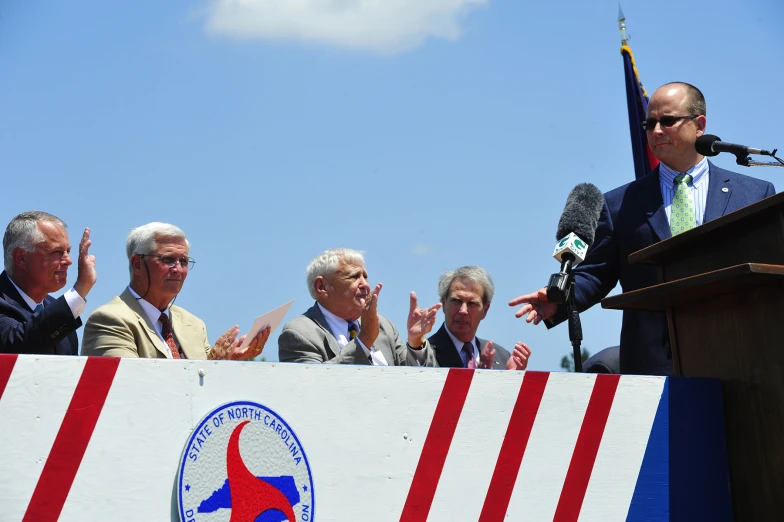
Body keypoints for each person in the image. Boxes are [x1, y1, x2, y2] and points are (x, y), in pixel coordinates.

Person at [510, 82, 775, 376]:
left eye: (668, 121)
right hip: (653, 364)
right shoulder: (618, 204)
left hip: (740, 355)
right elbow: (596, 274)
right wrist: (559, 298)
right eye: (650, 124)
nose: (657, 131)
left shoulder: (753, 193)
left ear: (700, 125)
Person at [81, 222, 268, 360]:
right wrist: (214, 365)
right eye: (168, 260)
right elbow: (128, 391)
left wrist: (229, 362)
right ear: (137, 264)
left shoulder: (193, 325)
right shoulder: (110, 320)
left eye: (184, 262)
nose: (178, 269)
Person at [278, 248, 440, 365]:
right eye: (354, 277)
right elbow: (312, 389)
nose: (365, 285)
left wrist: (416, 342)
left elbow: (416, 381)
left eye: (366, 277)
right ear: (322, 287)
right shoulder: (299, 333)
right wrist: (364, 342)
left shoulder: (384, 326)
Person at [0, 211, 96, 355]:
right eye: (57, 252)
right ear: (21, 258)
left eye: (68, 251)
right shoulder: (64, 311)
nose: (68, 261)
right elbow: (18, 345)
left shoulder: (58, 309)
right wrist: (81, 288)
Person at [429, 266, 530, 370]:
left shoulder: (503, 358)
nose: (463, 310)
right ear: (443, 304)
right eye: (456, 301)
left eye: (472, 303)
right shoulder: (422, 355)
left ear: (485, 310)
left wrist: (511, 379)